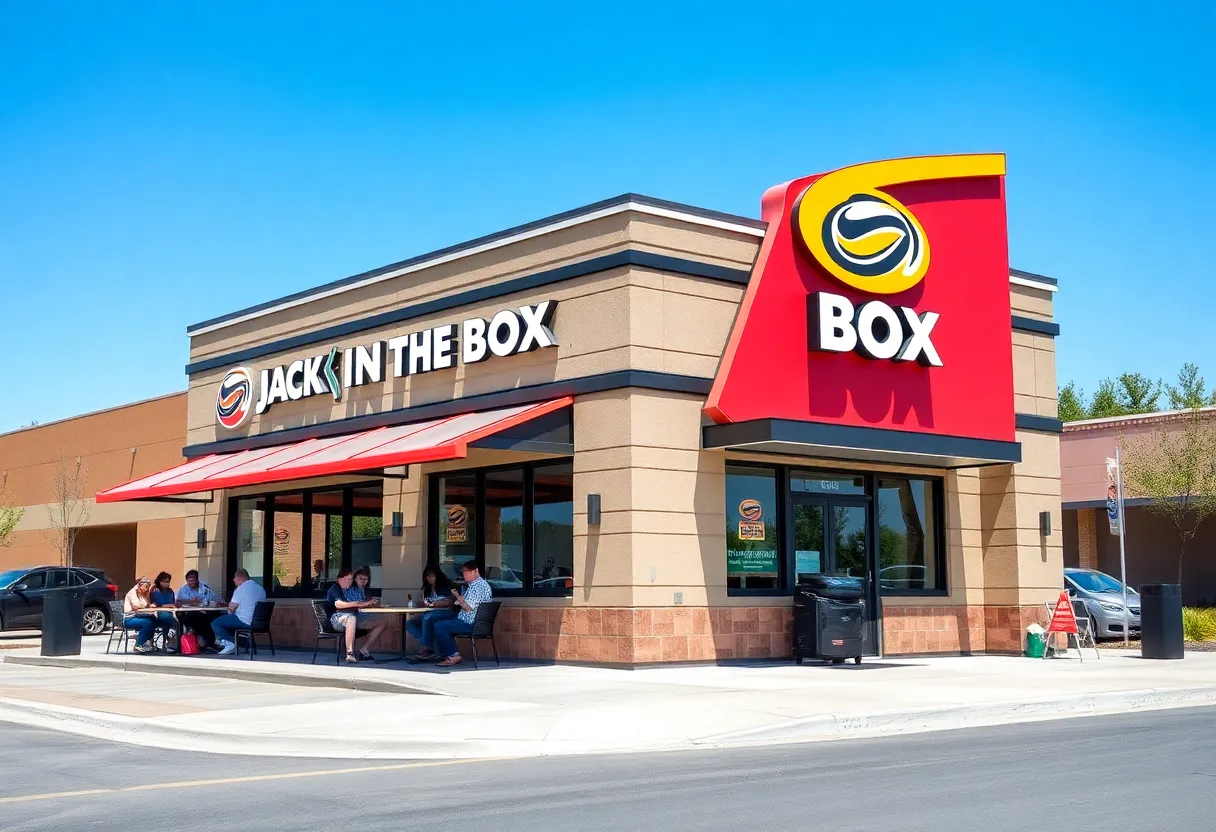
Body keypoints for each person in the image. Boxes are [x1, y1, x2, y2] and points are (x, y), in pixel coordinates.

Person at [431, 561, 492, 667]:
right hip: (474, 622)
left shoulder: (477, 587)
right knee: (437, 619)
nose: (464, 574)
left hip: (470, 623)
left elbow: (468, 607)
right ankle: (446, 653)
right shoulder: (479, 585)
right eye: (463, 572)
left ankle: (452, 655)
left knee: (439, 625)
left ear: (475, 571)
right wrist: (458, 597)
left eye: (466, 572)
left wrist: (460, 600)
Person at [325, 567, 386, 663]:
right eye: (346, 579)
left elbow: (361, 603)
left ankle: (364, 650)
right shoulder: (335, 589)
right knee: (351, 618)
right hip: (335, 619)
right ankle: (350, 653)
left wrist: (370, 604)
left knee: (381, 622)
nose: (348, 581)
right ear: (339, 579)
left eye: (350, 579)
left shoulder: (352, 589)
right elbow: (339, 604)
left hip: (354, 616)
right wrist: (358, 604)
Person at [210, 569, 267, 656]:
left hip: (244, 621)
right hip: (259, 623)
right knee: (226, 620)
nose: (233, 580)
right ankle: (239, 643)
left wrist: (228, 609)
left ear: (239, 578)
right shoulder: (260, 588)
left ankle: (229, 644)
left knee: (216, 623)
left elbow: (231, 608)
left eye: (234, 578)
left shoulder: (241, 588)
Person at [406, 566, 457, 661]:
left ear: (437, 576)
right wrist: (420, 603)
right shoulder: (427, 589)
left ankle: (427, 648)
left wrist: (433, 604)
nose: (428, 578)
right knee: (410, 623)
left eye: (431, 576)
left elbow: (449, 602)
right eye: (427, 576)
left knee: (427, 618)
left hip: (446, 612)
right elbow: (425, 602)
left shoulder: (444, 586)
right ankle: (430, 646)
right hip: (430, 611)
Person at [176, 570, 223, 649]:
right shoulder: (183, 589)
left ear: (197, 579)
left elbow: (215, 597)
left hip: (205, 611)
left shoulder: (204, 588)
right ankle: (205, 642)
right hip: (190, 613)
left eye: (193, 580)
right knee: (196, 619)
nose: (191, 583)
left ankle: (213, 642)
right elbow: (179, 601)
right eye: (189, 581)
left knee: (215, 615)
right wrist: (191, 601)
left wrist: (218, 602)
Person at [122, 577, 158, 654]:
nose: (146, 589)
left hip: (138, 615)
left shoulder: (143, 594)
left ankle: (147, 643)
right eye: (145, 587)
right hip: (129, 619)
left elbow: (147, 604)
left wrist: (149, 601)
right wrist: (146, 605)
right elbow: (136, 605)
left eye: (148, 587)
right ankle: (139, 644)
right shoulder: (133, 592)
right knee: (147, 622)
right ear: (140, 585)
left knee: (154, 619)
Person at [148, 572, 179, 648]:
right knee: (175, 621)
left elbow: (173, 604)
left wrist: (174, 606)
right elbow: (155, 605)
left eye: (169, 582)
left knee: (171, 621)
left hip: (169, 613)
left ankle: (169, 642)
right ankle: (172, 639)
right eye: (166, 582)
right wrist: (169, 606)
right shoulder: (155, 591)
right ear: (160, 581)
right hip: (157, 613)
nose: (168, 584)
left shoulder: (170, 591)